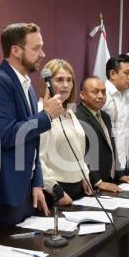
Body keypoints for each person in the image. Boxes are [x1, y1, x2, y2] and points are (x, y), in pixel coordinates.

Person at [0, 23, 65, 234]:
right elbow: (6, 134)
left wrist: (37, 181)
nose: (42, 54)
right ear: (16, 51)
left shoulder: (25, 84)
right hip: (5, 192)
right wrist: (45, 116)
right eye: (36, 49)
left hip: (26, 190)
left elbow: (31, 140)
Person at [37, 59, 93, 207]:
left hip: (78, 188)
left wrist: (84, 175)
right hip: (56, 192)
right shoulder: (41, 113)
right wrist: (56, 191)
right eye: (60, 80)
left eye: (69, 80)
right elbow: (38, 159)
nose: (66, 85)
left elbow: (77, 150)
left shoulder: (69, 112)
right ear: (47, 83)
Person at [75, 76, 129, 193]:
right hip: (92, 185)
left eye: (103, 92)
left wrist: (120, 174)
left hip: (110, 180)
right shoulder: (77, 117)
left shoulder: (105, 116)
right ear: (82, 95)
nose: (100, 96)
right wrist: (98, 182)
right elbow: (82, 154)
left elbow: (111, 146)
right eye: (95, 92)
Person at [102, 54, 129, 173]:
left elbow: (126, 129)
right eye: (126, 73)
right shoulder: (102, 95)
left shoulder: (124, 94)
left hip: (123, 159)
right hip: (108, 163)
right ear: (113, 74)